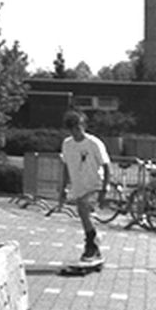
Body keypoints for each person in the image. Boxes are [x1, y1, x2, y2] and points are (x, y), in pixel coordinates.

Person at [58, 110, 110, 262]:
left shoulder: (94, 143)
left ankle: (91, 243)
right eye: (72, 129)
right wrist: (63, 188)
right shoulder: (67, 144)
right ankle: (95, 244)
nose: (75, 132)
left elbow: (107, 166)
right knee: (84, 215)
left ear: (83, 126)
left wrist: (105, 189)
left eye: (78, 128)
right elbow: (66, 167)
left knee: (82, 207)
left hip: (95, 185)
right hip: (79, 186)